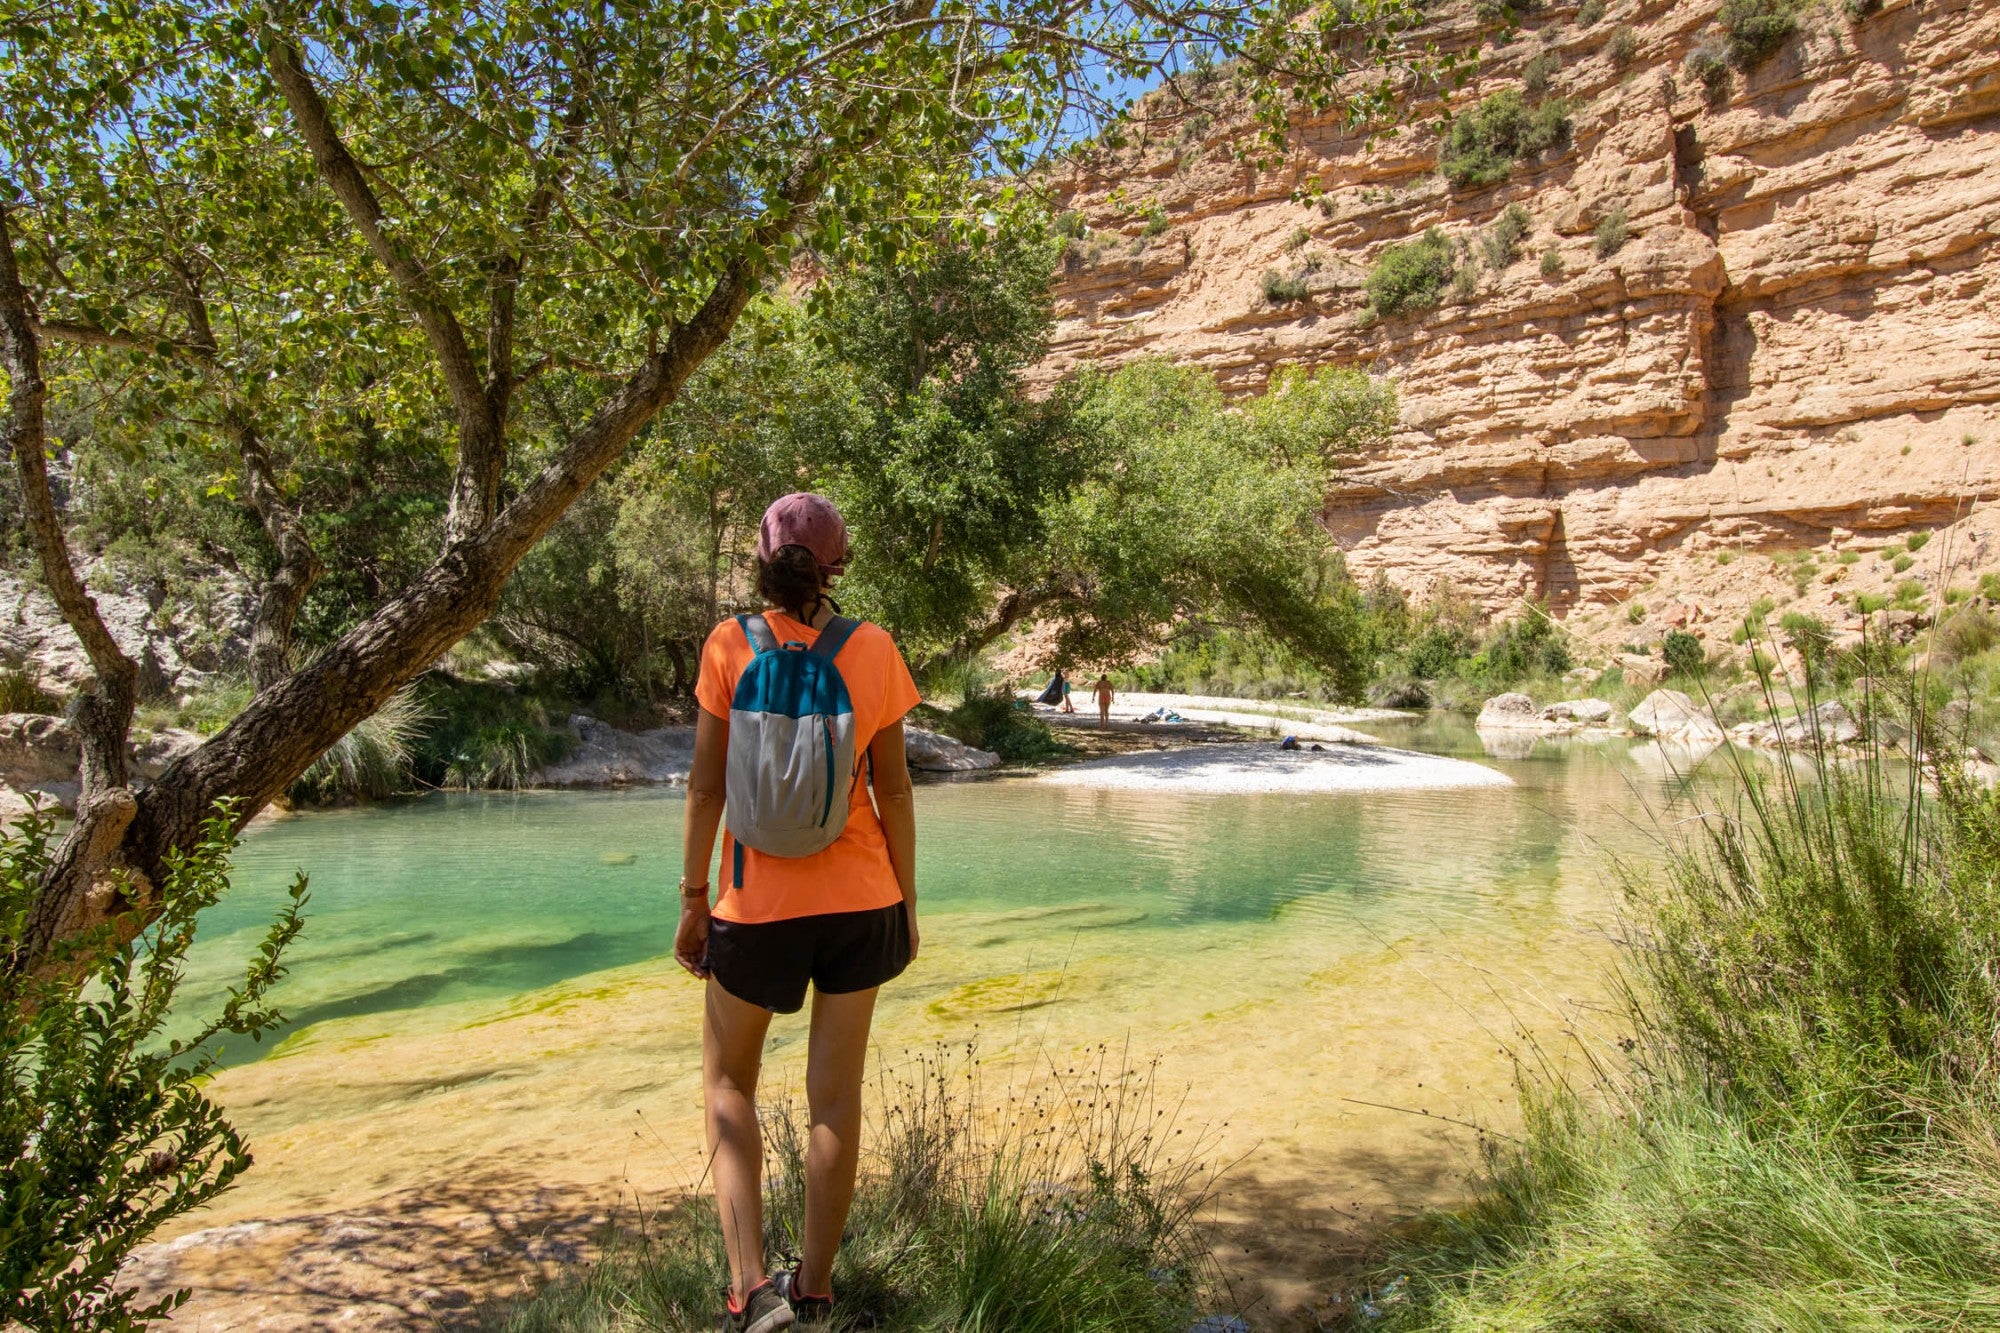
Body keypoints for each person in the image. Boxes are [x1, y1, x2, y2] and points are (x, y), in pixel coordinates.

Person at [675, 493, 920, 1332]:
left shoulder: (727, 644)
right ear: (837, 563)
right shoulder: (874, 647)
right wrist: (908, 906)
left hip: (756, 903)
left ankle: (750, 1287)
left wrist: (693, 900)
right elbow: (892, 786)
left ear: (763, 560)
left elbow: (708, 787)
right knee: (833, 1100)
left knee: (726, 1083)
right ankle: (813, 1287)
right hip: (862, 901)